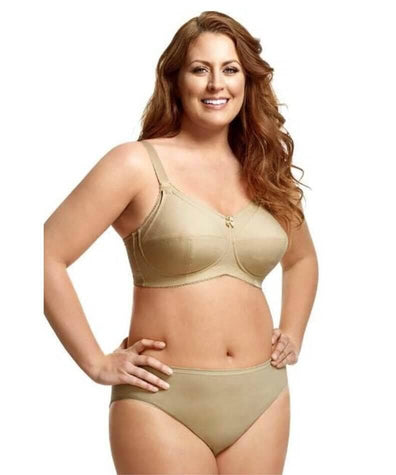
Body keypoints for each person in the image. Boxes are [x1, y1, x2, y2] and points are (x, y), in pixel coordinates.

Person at [44, 10, 318, 475]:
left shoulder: (266, 173)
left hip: (263, 398)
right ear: (175, 80)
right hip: (161, 402)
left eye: (230, 69)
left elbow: (302, 259)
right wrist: (95, 362)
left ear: (247, 81)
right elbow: (44, 254)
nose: (216, 84)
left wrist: (292, 331)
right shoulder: (135, 164)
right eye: (199, 69)